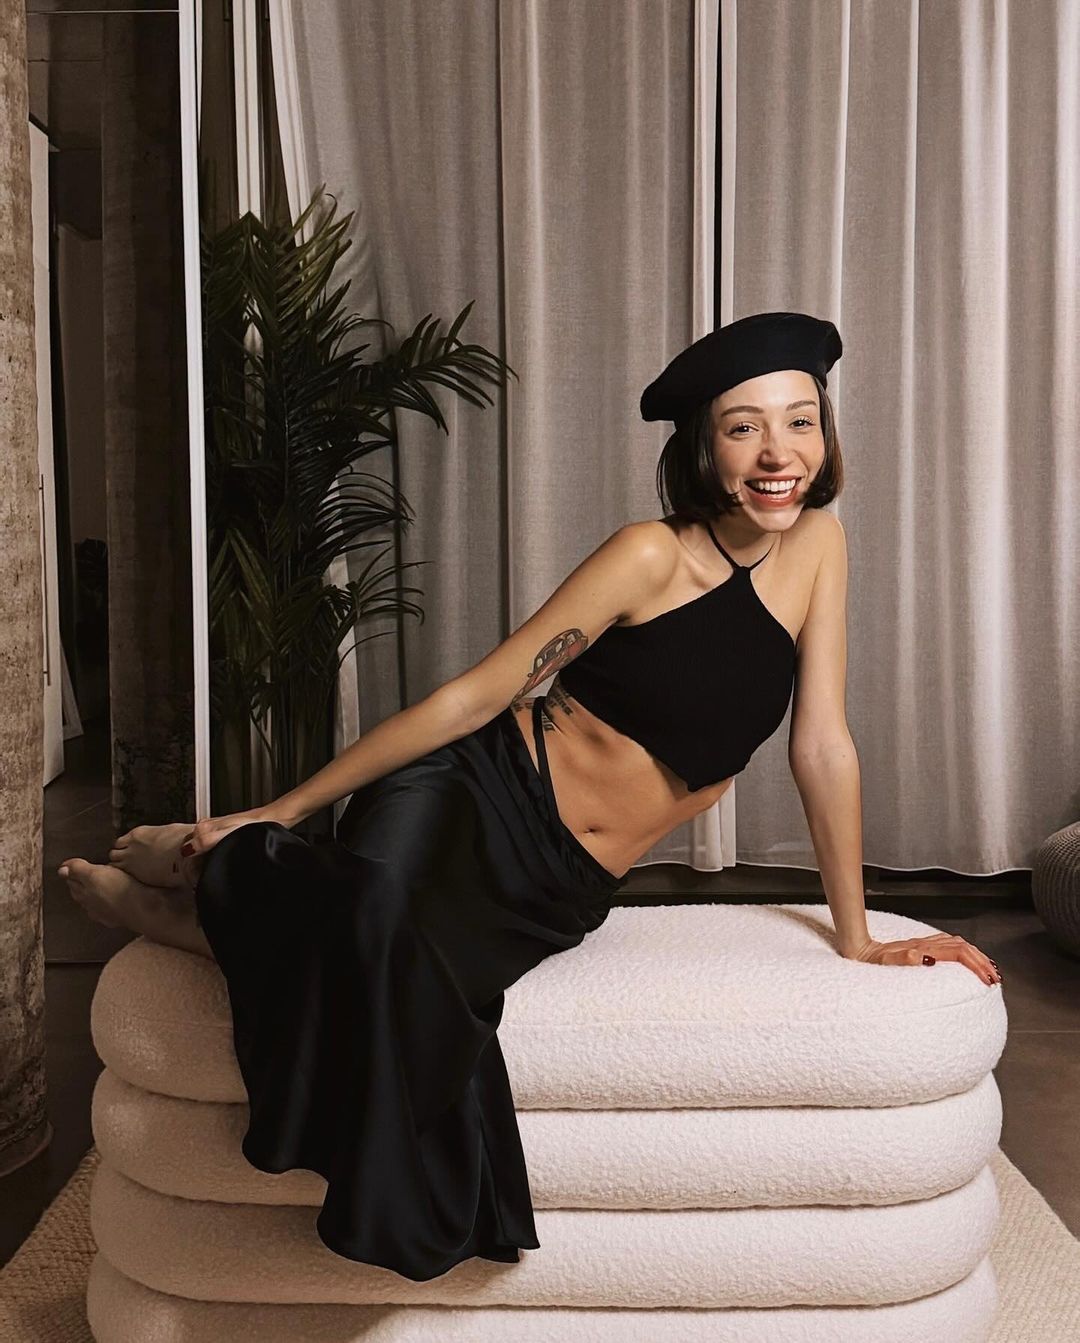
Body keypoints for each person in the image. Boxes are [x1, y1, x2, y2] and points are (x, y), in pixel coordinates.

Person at [59, 309, 1002, 1282]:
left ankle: (203, 907)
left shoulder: (820, 549)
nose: (778, 452)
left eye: (800, 421)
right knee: (377, 905)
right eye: (743, 426)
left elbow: (824, 744)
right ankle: (223, 863)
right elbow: (477, 693)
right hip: (472, 788)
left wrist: (858, 934)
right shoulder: (648, 555)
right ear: (705, 447)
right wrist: (280, 808)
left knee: (414, 969)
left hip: (559, 881)